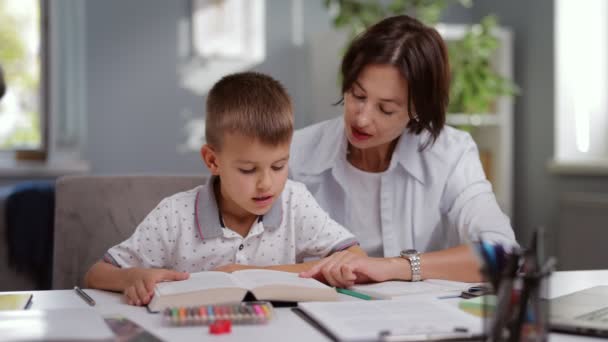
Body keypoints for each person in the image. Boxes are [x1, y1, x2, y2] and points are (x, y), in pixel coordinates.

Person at [85, 72, 364, 306]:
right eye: (247, 169)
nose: (266, 183)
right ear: (212, 160)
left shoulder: (295, 201)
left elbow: (356, 258)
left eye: (279, 166)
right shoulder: (174, 215)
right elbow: (97, 274)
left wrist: (249, 273)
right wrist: (131, 278)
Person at [291, 15, 517, 287]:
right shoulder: (296, 153)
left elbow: (503, 255)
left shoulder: (451, 154)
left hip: (420, 321)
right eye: (358, 95)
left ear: (417, 110)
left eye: (386, 109)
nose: (362, 119)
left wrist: (395, 267)